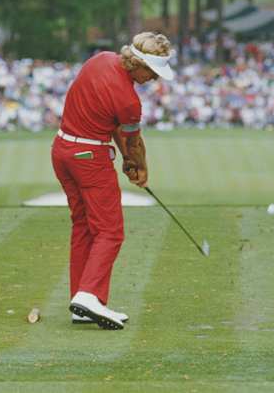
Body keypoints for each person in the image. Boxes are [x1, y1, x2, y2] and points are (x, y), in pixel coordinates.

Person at [51, 32, 175, 330]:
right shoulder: (129, 101)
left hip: (62, 151)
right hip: (89, 159)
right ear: (138, 64)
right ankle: (89, 295)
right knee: (110, 231)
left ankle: (81, 303)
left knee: (83, 226)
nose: (153, 78)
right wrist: (139, 167)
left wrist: (129, 162)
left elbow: (113, 126)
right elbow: (132, 142)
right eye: (152, 71)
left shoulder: (101, 59)